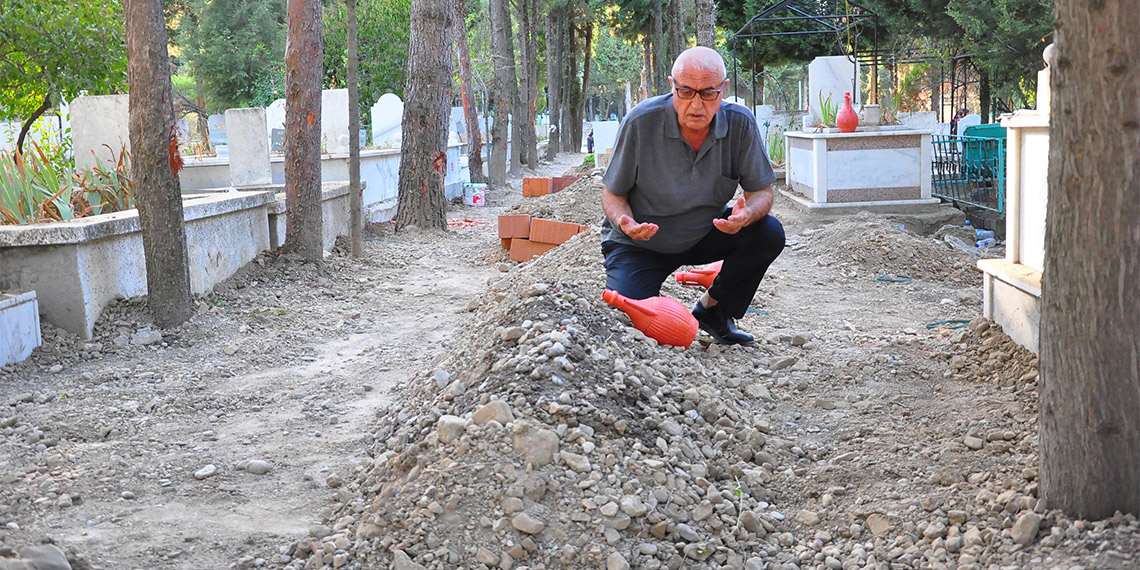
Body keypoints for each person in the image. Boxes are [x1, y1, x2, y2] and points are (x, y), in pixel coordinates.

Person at [600, 46, 785, 347]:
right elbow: (612, 193)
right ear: (672, 85)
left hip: (703, 232)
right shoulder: (640, 123)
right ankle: (651, 303)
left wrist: (745, 215)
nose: (696, 104)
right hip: (641, 242)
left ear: (723, 89)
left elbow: (761, 192)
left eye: (708, 93)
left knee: (768, 232)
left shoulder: (740, 123)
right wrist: (626, 223)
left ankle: (714, 309)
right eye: (685, 91)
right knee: (630, 323)